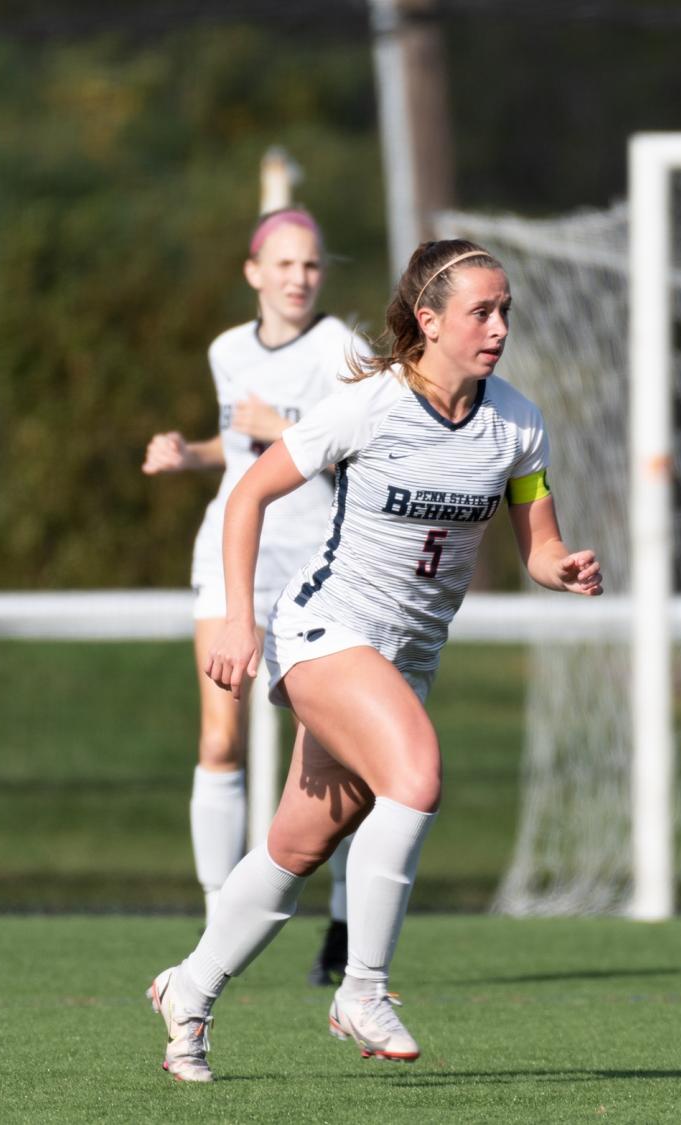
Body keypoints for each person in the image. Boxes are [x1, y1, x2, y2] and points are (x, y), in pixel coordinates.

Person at [145, 238, 604, 1083]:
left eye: (506, 310)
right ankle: (363, 986)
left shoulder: (519, 425)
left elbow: (539, 543)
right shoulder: (369, 406)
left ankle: (190, 987)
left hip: (404, 660)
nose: (499, 325)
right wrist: (240, 622)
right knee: (417, 774)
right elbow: (247, 494)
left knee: (295, 846)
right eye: (481, 311)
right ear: (427, 321)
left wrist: (562, 568)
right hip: (324, 630)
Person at [142, 206, 352, 987]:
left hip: (320, 568)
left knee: (340, 755)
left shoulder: (341, 350)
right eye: (287, 265)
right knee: (219, 738)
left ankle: (346, 926)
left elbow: (362, 448)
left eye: (313, 265)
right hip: (234, 557)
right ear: (254, 273)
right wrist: (187, 453)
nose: (301, 278)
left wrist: (287, 420)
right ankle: (217, 919)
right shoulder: (226, 350)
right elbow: (241, 453)